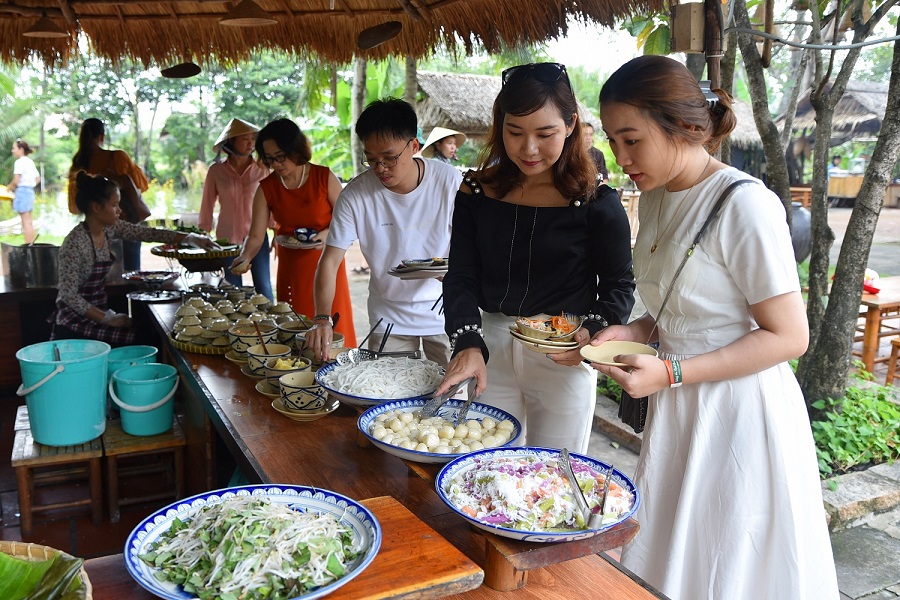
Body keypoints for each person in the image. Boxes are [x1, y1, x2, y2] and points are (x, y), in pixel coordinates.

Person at [591, 55, 838, 599]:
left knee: (732, 555)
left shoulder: (744, 204)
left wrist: (672, 370)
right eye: (613, 141)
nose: (621, 157)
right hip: (680, 402)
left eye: (632, 140)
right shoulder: (655, 195)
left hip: (739, 410)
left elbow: (788, 337)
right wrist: (636, 330)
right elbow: (688, 299)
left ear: (684, 127)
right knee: (679, 549)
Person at [433, 62, 635, 453]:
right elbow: (460, 275)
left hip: (563, 353)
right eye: (514, 132)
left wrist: (590, 334)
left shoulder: (598, 203)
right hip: (487, 348)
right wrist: (467, 342)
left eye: (545, 134)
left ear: (571, 124)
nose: (528, 149)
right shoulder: (477, 193)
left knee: (555, 472)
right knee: (482, 466)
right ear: (500, 124)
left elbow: (618, 286)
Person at [305, 99, 462, 366]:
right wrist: (322, 317)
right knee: (389, 397)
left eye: (389, 158)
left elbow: (474, 243)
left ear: (414, 146)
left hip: (446, 312)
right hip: (388, 317)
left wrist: (459, 269)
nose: (380, 169)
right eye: (372, 160)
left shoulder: (449, 182)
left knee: (453, 395)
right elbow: (330, 261)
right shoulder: (355, 196)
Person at [54, 171, 218, 346]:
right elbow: (68, 295)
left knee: (148, 332)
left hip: (99, 310)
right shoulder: (75, 242)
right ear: (96, 207)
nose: (120, 210)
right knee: (143, 339)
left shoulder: (109, 228)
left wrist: (190, 238)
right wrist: (107, 318)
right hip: (75, 320)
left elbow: (147, 233)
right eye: (115, 205)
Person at [231, 118, 356, 346]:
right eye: (270, 159)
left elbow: (348, 221)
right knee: (295, 326)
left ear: (295, 149)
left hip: (327, 261)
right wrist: (245, 256)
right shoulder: (266, 187)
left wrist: (327, 234)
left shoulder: (323, 177)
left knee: (333, 325)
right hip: (291, 266)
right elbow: (256, 235)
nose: (276, 164)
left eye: (280, 156)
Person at [199, 118, 273, 301]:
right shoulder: (216, 171)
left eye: (252, 139)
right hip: (226, 240)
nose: (250, 144)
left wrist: (276, 228)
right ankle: (235, 328)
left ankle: (270, 326)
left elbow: (272, 202)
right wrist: (203, 234)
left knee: (263, 285)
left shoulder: (261, 169)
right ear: (231, 142)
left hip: (257, 236)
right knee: (232, 289)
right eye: (244, 139)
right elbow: (207, 204)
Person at [68, 118, 149, 272]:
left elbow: (74, 207)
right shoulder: (117, 158)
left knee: (102, 278)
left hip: (94, 229)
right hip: (125, 226)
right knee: (131, 275)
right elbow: (142, 186)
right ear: (102, 136)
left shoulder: (78, 165)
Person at [8, 139, 39, 245]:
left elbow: (16, 180)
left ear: (21, 149)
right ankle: (31, 244)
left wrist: (9, 188)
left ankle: (28, 245)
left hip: (22, 191)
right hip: (30, 191)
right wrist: (30, 184)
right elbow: (37, 179)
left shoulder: (19, 162)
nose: (12, 151)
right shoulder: (30, 162)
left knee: (25, 221)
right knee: (29, 220)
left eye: (14, 148)